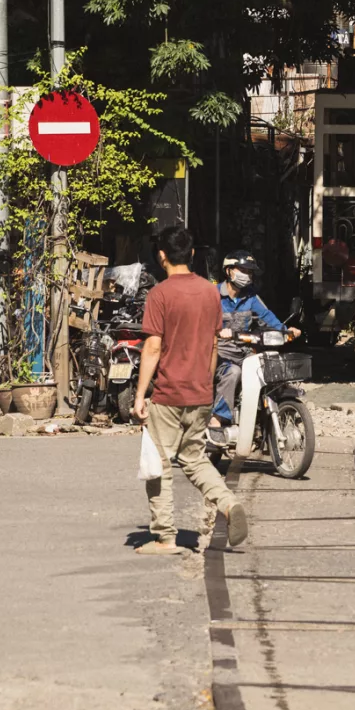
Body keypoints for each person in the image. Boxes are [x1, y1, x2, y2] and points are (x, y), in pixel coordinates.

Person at [132, 223, 248, 553]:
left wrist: (141, 395)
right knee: (195, 459)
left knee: (160, 465)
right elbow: (213, 347)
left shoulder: (160, 294)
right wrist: (207, 389)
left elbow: (153, 347)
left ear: (161, 256)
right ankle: (228, 504)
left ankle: (164, 536)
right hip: (200, 392)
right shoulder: (211, 292)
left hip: (169, 394)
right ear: (193, 254)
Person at [206, 249, 299, 450]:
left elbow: (267, 316)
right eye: (243, 270)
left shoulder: (251, 297)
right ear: (229, 271)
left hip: (246, 351)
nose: (247, 275)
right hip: (219, 353)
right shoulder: (213, 296)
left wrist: (286, 330)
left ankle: (266, 420)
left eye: (250, 272)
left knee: (269, 371)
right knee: (233, 373)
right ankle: (217, 420)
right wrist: (217, 332)